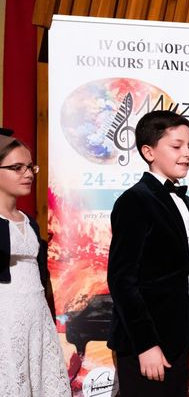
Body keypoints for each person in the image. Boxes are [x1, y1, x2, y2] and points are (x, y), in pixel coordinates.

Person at [107, 110, 189, 396]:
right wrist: (145, 344)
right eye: (177, 146)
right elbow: (122, 281)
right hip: (145, 346)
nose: (187, 154)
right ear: (149, 152)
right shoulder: (134, 201)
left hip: (180, 341)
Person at [0, 128, 71, 396]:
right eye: (17, 167)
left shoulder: (29, 221)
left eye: (30, 167)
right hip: (5, 319)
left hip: (36, 318)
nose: (28, 174)